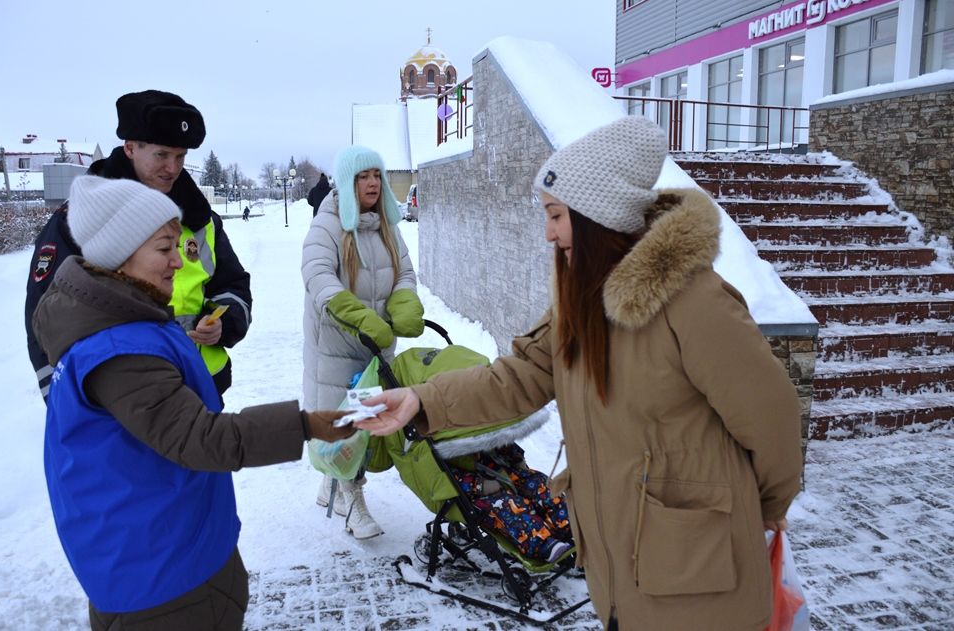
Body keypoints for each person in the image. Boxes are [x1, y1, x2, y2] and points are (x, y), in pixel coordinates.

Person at [357, 117, 804, 630]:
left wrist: (758, 509)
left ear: (598, 217)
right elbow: (518, 376)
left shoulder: (695, 303)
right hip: (622, 570)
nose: (547, 232)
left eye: (556, 215)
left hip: (698, 577)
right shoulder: (582, 304)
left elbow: (772, 421)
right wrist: (422, 401)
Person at [32, 174, 354, 631]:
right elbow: (201, 439)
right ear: (118, 257)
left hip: (161, 550)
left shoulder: (118, 323)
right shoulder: (119, 350)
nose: (177, 263)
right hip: (163, 579)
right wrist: (307, 424)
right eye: (164, 249)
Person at [25, 89, 252, 403]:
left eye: (181, 156)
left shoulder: (202, 220)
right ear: (130, 148)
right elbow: (45, 316)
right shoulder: (78, 220)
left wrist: (223, 323)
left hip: (200, 387)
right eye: (162, 155)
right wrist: (63, 400)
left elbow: (233, 285)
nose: (173, 167)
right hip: (121, 401)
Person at [301, 145, 424, 539]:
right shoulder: (329, 224)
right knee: (343, 420)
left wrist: (404, 300)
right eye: (362, 176)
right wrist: (356, 315)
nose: (371, 183)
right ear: (346, 182)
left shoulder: (388, 225)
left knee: (366, 419)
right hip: (337, 344)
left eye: (376, 175)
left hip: (378, 344)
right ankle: (351, 498)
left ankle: (331, 485)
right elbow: (317, 275)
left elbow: (405, 271)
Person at [449, 443, 573, 563]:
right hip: (477, 494)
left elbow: (503, 438)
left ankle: (565, 526)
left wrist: (516, 457)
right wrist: (476, 485)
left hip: (501, 472)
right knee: (508, 505)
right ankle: (543, 544)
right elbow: (442, 481)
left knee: (539, 482)